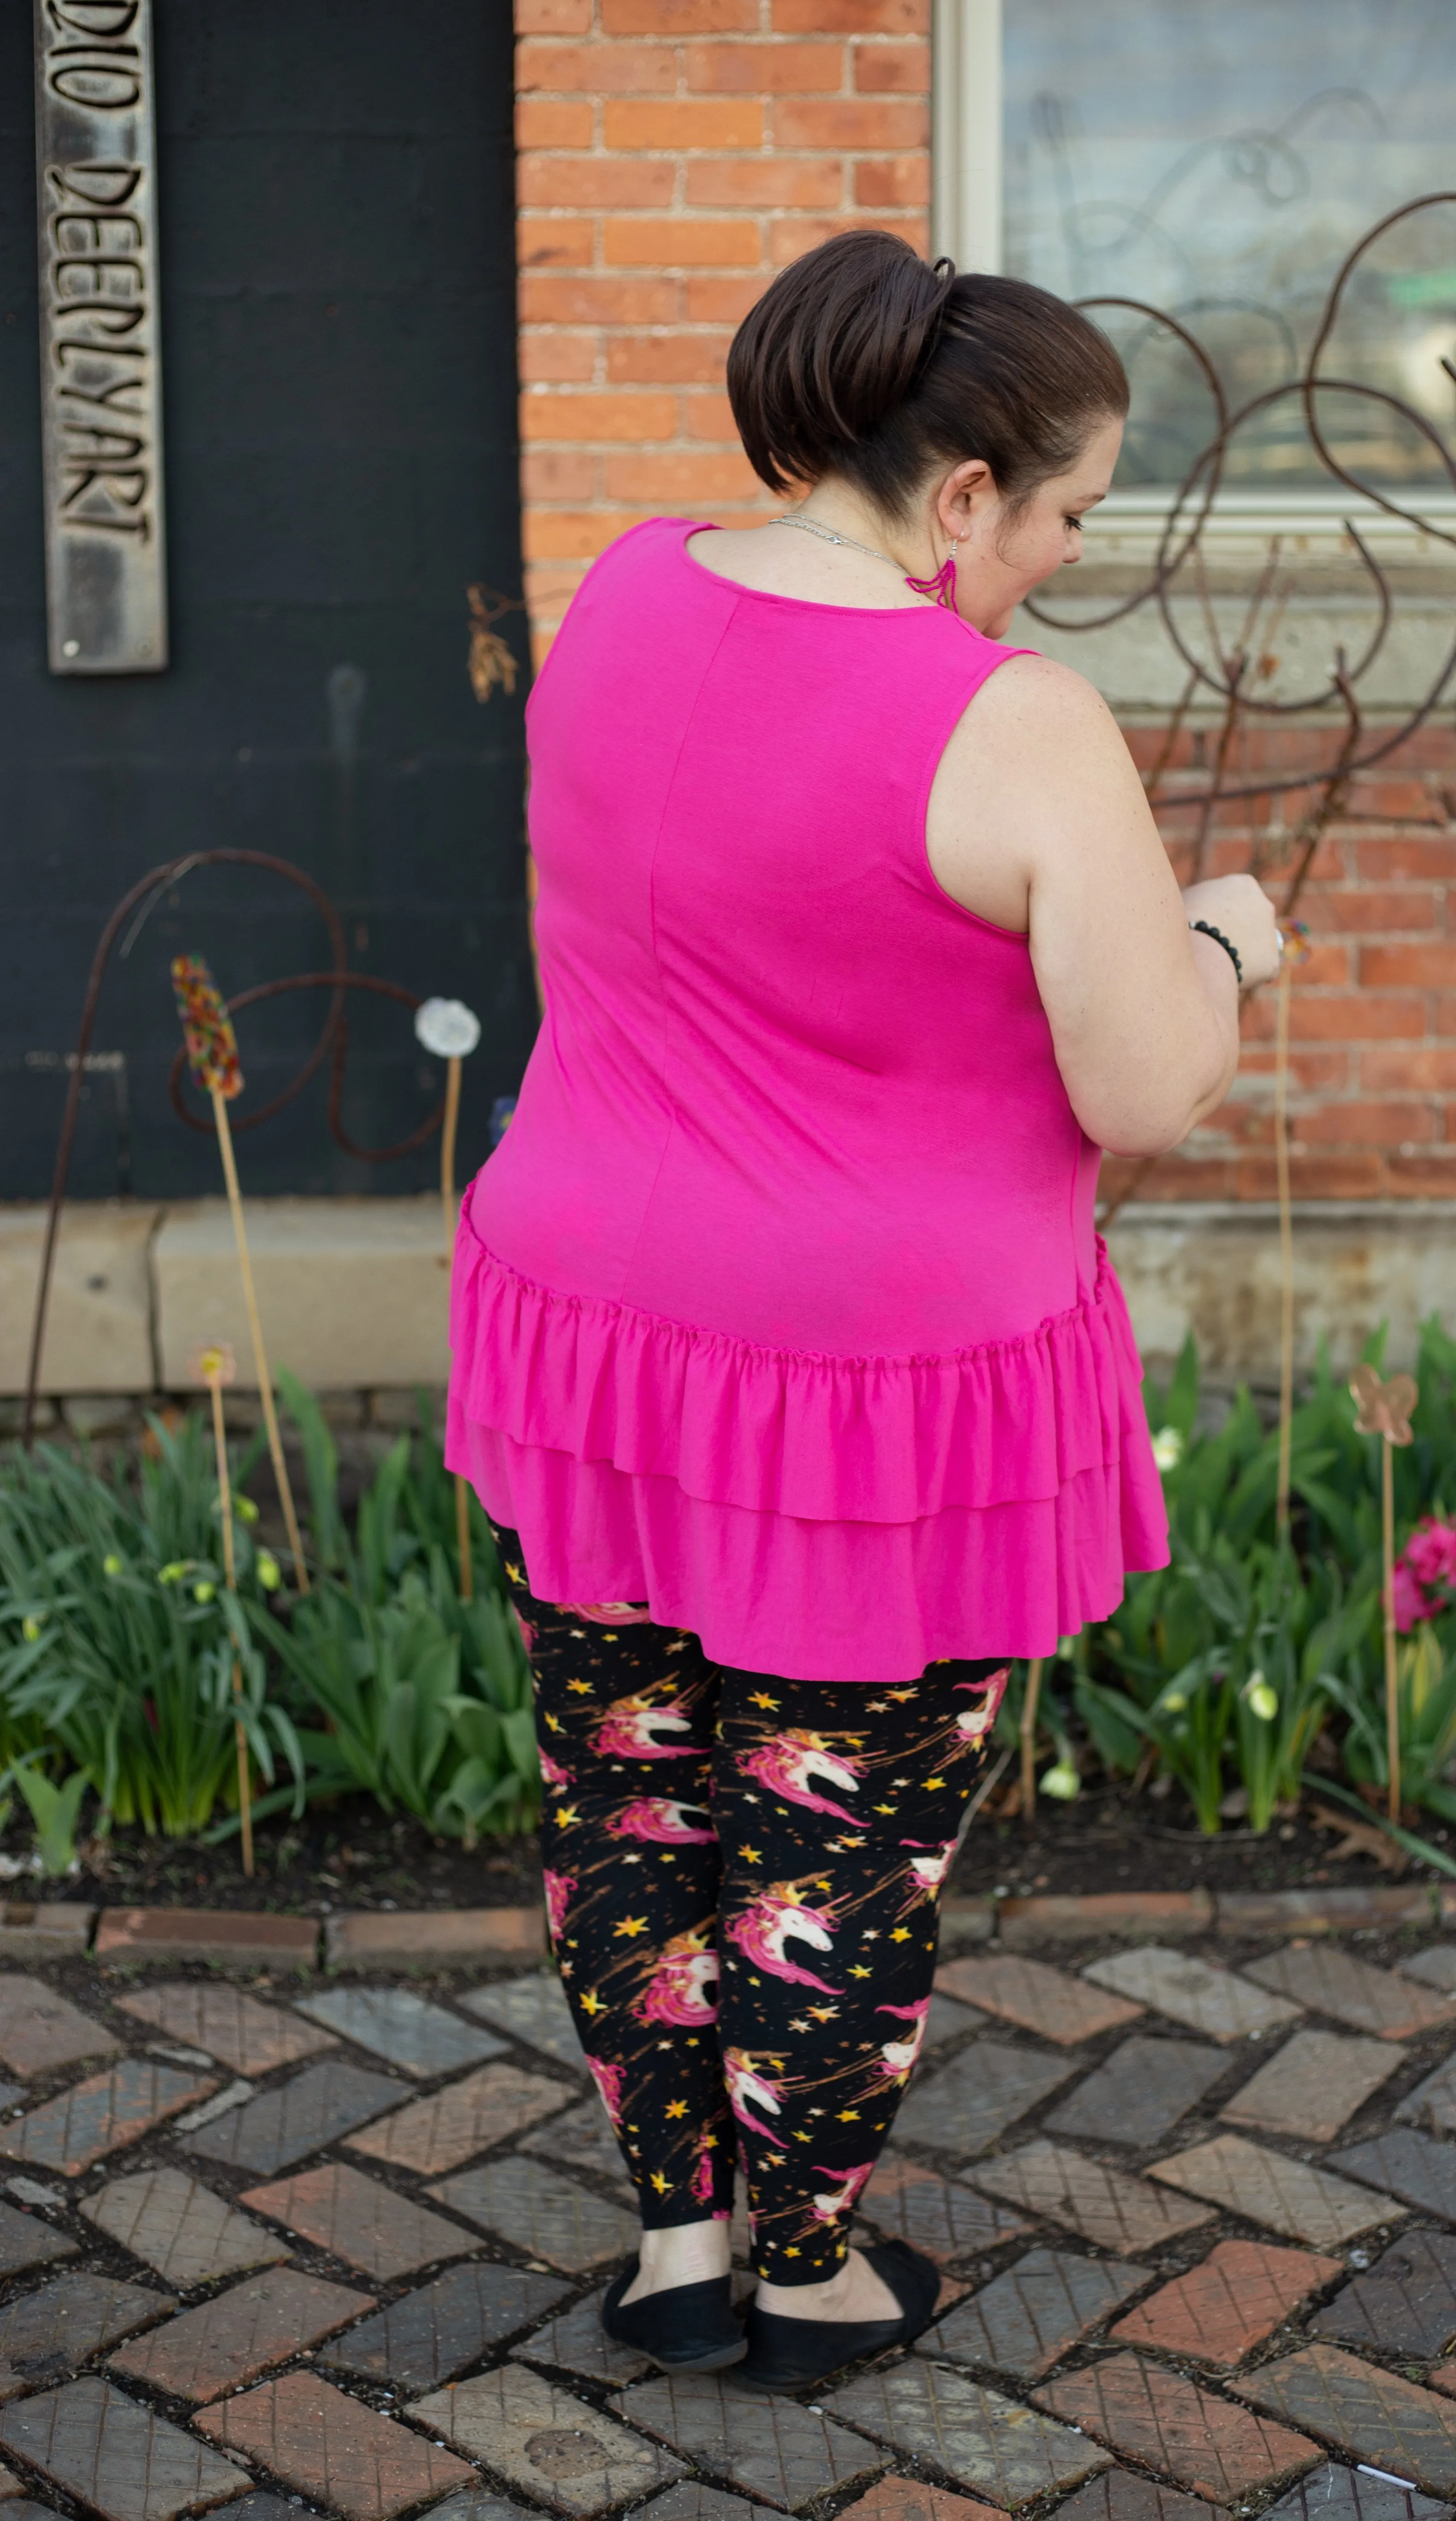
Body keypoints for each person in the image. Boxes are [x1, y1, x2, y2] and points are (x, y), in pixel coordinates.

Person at [446, 229, 1280, 2392]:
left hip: (589, 1319)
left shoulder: (627, 588)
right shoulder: (1015, 722)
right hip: (872, 1393)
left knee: (630, 1797)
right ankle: (804, 2271)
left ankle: (674, 2245)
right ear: (971, 493)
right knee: (834, 1837)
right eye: (1076, 515)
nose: (1069, 566)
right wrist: (1227, 944)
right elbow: (1145, 1087)